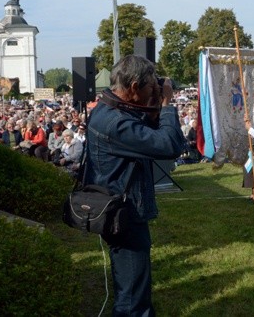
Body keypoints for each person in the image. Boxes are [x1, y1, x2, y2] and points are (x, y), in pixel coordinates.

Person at [83, 55, 185, 316]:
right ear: (133, 86)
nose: (155, 89)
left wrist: (153, 102)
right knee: (132, 298)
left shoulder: (109, 109)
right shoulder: (116, 122)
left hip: (119, 208)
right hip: (123, 214)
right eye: (151, 86)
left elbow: (145, 131)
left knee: (133, 285)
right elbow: (169, 146)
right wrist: (167, 103)